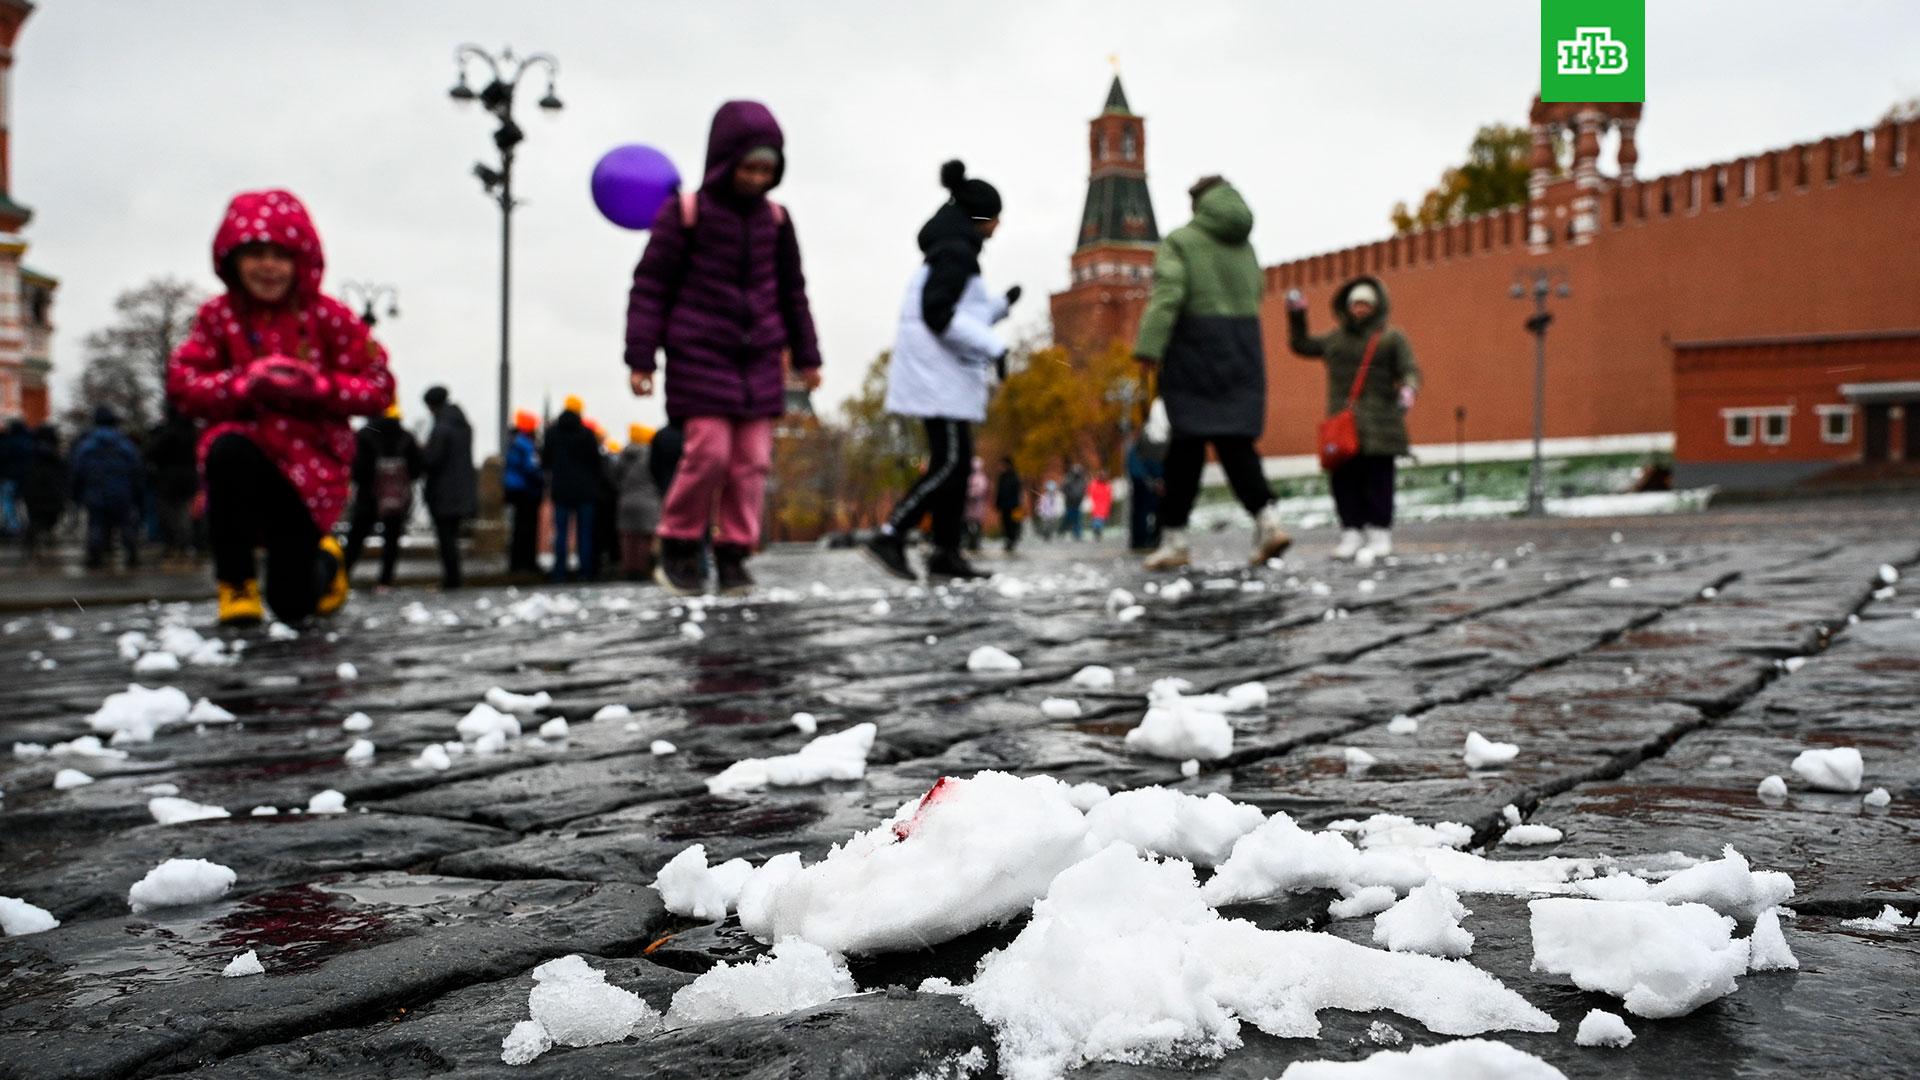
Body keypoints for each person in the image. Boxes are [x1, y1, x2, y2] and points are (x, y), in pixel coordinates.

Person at [168, 189, 395, 625]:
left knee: (293, 605)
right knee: (228, 449)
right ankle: (235, 582)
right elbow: (182, 383)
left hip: (311, 476)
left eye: (280, 254)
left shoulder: (330, 317)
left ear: (301, 260)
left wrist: (318, 387)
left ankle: (325, 563)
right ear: (232, 259)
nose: (268, 266)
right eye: (255, 253)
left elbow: (378, 385)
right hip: (248, 460)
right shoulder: (218, 319)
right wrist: (243, 385)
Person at [626, 100, 823, 595]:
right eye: (750, 166)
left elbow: (792, 290)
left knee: (752, 460)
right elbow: (650, 286)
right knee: (708, 453)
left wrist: (808, 355)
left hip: (759, 357)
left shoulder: (776, 221)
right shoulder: (685, 213)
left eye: (768, 169)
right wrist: (641, 357)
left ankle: (734, 552)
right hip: (700, 352)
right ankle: (678, 543)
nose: (757, 178)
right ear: (725, 160)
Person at [1131, 175, 1292, 571]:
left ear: (1197, 203)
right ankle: (1269, 522)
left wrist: (1149, 347)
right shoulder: (1245, 246)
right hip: (1242, 347)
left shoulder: (1181, 242)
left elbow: (1169, 293)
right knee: (1236, 444)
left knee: (1185, 449)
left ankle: (1175, 540)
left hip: (1193, 348)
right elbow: (1257, 290)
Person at [864, 161, 1014, 582]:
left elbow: (962, 314)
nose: (998, 227)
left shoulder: (951, 250)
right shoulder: (956, 253)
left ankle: (945, 552)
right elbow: (939, 314)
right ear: (981, 218)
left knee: (959, 466)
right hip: (938, 380)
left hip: (942, 377)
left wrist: (999, 308)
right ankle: (891, 533)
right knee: (949, 465)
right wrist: (995, 346)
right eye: (995, 218)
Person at [1288, 277, 1420, 560]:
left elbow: (1409, 368)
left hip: (1381, 423)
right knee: (1344, 480)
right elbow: (1301, 345)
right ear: (1347, 307)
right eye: (1356, 304)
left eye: (1366, 304)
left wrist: (1408, 389)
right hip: (1343, 424)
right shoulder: (1335, 340)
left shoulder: (1390, 338)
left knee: (1379, 478)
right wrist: (1297, 313)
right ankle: (1351, 532)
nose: (1360, 309)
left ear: (1377, 306)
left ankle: (1380, 532)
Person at [344, 402, 422, 587]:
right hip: (396, 497)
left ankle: (343, 576)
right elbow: (416, 469)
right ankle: (385, 581)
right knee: (392, 539)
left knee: (356, 537)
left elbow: (356, 468)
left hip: (368, 495)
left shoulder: (364, 435)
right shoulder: (406, 436)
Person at [69, 405, 146, 570]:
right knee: (125, 524)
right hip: (121, 491)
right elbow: (136, 469)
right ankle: (132, 553)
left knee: (96, 525)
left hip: (95, 491)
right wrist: (137, 493)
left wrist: (76, 493)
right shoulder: (124, 444)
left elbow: (78, 470)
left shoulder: (87, 445)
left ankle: (95, 556)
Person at [420, 386, 477, 589]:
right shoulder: (463, 425)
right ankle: (454, 578)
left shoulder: (442, 428)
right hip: (462, 489)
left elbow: (432, 459)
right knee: (452, 536)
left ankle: (452, 579)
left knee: (446, 539)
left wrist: (421, 452)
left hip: (443, 491)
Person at [542, 396, 602, 582]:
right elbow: (596, 463)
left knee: (561, 533)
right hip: (585, 490)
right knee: (584, 533)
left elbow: (546, 461)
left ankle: (559, 572)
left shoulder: (552, 433)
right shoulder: (587, 434)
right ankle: (585, 572)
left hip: (561, 488)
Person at [146, 406, 201, 564]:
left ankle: (176, 544)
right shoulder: (192, 433)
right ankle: (186, 544)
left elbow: (151, 452)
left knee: (168, 512)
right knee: (184, 511)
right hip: (189, 476)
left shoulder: (168, 433)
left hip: (168, 477)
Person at [613, 424, 662, 582]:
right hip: (648, 500)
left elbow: (615, 476)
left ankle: (629, 570)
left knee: (628, 538)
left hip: (626, 501)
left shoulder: (623, 454)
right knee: (644, 538)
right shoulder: (651, 454)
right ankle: (642, 570)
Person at [501, 410, 544, 577]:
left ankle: (517, 562)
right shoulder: (525, 443)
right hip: (526, 490)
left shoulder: (514, 440)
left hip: (515, 488)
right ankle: (526, 562)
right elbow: (531, 467)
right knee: (526, 528)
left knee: (518, 527)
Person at [21, 425, 65, 563]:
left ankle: (31, 543)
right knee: (50, 517)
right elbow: (64, 473)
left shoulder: (30, 450)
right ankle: (45, 539)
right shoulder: (55, 453)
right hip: (52, 490)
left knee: (35, 518)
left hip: (34, 490)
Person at [1125, 429, 1165, 553]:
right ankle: (1144, 539)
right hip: (1145, 484)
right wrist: (1155, 481)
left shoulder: (1140, 447)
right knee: (1144, 512)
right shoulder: (1147, 448)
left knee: (1144, 512)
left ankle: (1145, 539)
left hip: (1147, 482)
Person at [0, 417, 30, 537]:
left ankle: (13, 527)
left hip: (9, 477)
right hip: (25, 478)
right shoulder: (28, 442)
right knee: (21, 503)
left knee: (8, 502)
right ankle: (23, 525)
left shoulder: (9, 443)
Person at [993, 456, 1024, 554]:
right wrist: (997, 503)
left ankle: (1012, 541)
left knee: (1013, 524)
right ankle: (1008, 541)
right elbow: (999, 491)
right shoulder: (1002, 477)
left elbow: (1018, 492)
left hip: (1014, 506)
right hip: (1004, 506)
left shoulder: (1015, 477)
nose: (1001, 467)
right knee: (1005, 524)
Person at [964, 456, 990, 553]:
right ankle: (970, 542)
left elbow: (982, 491)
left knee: (977, 525)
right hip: (969, 507)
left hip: (978, 506)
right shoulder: (968, 477)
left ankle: (976, 542)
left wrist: (971, 494)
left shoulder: (981, 478)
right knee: (968, 524)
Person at [1061, 464, 1088, 541]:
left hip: (1077, 503)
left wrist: (1081, 497)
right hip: (1069, 503)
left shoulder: (1082, 481)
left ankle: (1077, 534)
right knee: (1068, 518)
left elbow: (1084, 490)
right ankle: (1062, 530)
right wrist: (1068, 495)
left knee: (1077, 519)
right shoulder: (1068, 479)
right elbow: (1063, 489)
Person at [1086, 471, 1113, 543]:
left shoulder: (1107, 486)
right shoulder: (1094, 484)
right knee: (1097, 520)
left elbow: (1109, 498)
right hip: (1096, 506)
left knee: (1100, 520)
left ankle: (1098, 532)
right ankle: (1097, 531)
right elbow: (1090, 494)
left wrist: (1108, 508)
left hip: (1103, 506)